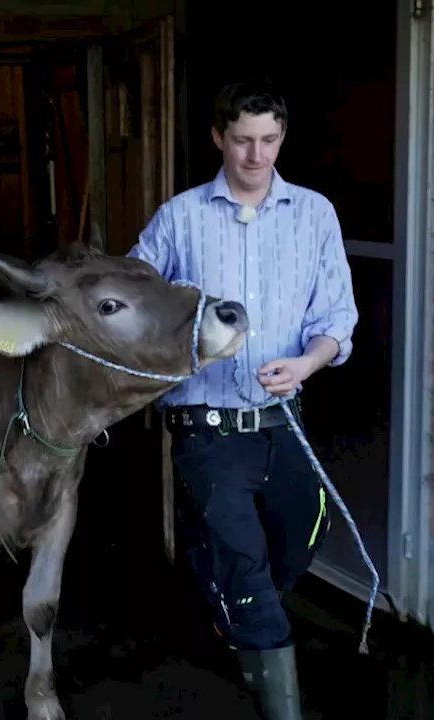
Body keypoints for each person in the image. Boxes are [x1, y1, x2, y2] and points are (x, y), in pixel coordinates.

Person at [126, 78, 359, 720]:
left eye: (269, 140)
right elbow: (133, 301)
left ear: (282, 137)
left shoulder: (315, 214)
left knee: (298, 538)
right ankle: (276, 691)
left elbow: (338, 317)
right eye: (242, 141)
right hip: (205, 423)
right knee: (249, 568)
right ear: (218, 138)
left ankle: (226, 595)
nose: (256, 156)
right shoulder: (180, 217)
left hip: (285, 419)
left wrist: (309, 362)